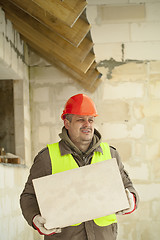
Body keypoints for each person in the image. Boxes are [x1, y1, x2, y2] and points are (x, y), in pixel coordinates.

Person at [20, 93, 139, 240]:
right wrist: (34, 218)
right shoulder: (47, 158)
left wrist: (132, 200)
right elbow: (28, 196)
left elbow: (128, 187)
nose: (87, 124)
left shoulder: (111, 154)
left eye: (91, 120)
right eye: (80, 120)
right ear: (67, 123)